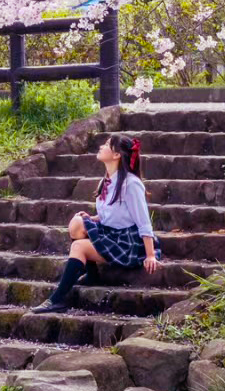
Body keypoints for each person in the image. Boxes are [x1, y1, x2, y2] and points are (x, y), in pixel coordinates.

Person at [30, 132, 161, 314]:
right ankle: (91, 275)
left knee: (78, 247)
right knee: (77, 223)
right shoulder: (106, 181)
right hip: (111, 233)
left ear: (116, 155)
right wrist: (93, 219)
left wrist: (150, 255)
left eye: (107, 144)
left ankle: (57, 299)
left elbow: (143, 221)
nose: (101, 146)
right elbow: (115, 213)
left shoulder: (131, 184)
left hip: (128, 241)